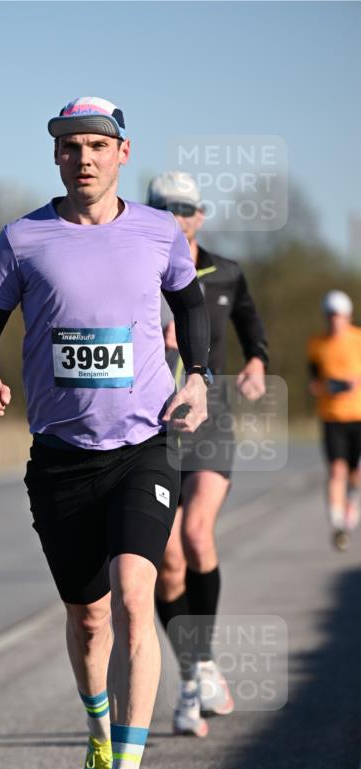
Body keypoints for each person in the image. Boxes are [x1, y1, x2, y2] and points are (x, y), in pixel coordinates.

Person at [0, 98, 210, 769]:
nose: (84, 158)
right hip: (62, 460)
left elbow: (190, 304)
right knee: (88, 613)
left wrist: (195, 374)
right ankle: (98, 734)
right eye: (71, 147)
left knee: (137, 591)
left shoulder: (158, 232)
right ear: (56, 156)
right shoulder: (22, 239)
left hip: (143, 445)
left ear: (122, 153)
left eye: (98, 145)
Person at [147, 172, 269, 738]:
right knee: (166, 559)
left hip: (210, 415)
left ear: (200, 215)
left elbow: (249, 321)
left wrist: (257, 361)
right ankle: (194, 670)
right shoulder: (136, 269)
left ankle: (201, 665)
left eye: (187, 208)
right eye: (164, 207)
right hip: (152, 423)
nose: (177, 216)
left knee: (197, 536)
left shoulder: (227, 272)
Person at [307, 290, 361, 551]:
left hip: (359, 416)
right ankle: (338, 524)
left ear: (347, 316)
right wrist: (326, 386)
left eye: (337, 316)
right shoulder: (316, 344)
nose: (333, 321)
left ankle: (351, 507)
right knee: (336, 470)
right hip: (331, 417)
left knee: (355, 474)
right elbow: (314, 383)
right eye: (329, 316)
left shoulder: (358, 340)